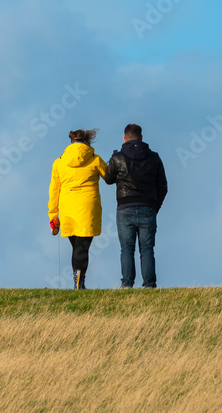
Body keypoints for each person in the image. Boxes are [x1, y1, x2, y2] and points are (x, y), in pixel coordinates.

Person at [104, 123, 167, 288]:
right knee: (147, 249)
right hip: (148, 208)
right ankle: (149, 285)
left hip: (125, 208)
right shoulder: (154, 157)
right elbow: (163, 187)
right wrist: (154, 207)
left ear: (124, 138)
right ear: (141, 138)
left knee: (126, 249)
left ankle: (126, 284)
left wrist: (112, 160)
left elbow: (108, 179)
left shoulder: (118, 158)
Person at [48, 129, 108, 290]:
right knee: (82, 248)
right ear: (88, 141)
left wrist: (53, 215)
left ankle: (78, 283)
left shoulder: (59, 162)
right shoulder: (95, 159)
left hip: (67, 208)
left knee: (77, 247)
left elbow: (53, 191)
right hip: (87, 206)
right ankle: (79, 284)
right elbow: (109, 176)